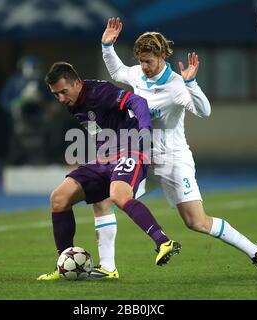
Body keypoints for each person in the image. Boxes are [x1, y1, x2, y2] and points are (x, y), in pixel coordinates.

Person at [88, 17, 257, 279]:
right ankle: (108, 268)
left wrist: (191, 84)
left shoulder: (176, 85)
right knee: (105, 199)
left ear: (162, 56)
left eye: (148, 62)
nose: (144, 67)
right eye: (141, 61)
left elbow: (204, 111)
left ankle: (256, 251)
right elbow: (120, 72)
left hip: (173, 159)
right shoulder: (138, 74)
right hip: (142, 157)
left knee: (196, 222)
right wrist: (107, 47)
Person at [36, 62, 181, 281]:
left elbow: (137, 100)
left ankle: (163, 241)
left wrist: (144, 130)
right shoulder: (73, 103)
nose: (61, 99)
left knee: (118, 195)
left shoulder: (99, 91)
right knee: (59, 197)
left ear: (77, 83)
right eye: (56, 95)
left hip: (131, 151)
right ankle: (66, 264)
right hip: (106, 158)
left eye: (64, 92)